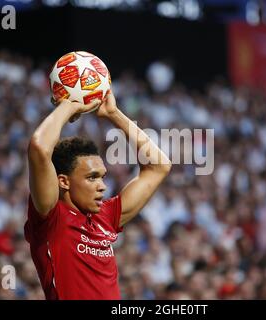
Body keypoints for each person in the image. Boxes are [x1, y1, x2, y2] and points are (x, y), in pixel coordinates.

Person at [24, 91, 172, 300]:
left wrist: (113, 113)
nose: (102, 186)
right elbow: (39, 148)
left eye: (102, 177)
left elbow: (159, 166)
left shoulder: (106, 216)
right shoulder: (50, 218)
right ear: (64, 181)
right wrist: (69, 105)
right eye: (92, 178)